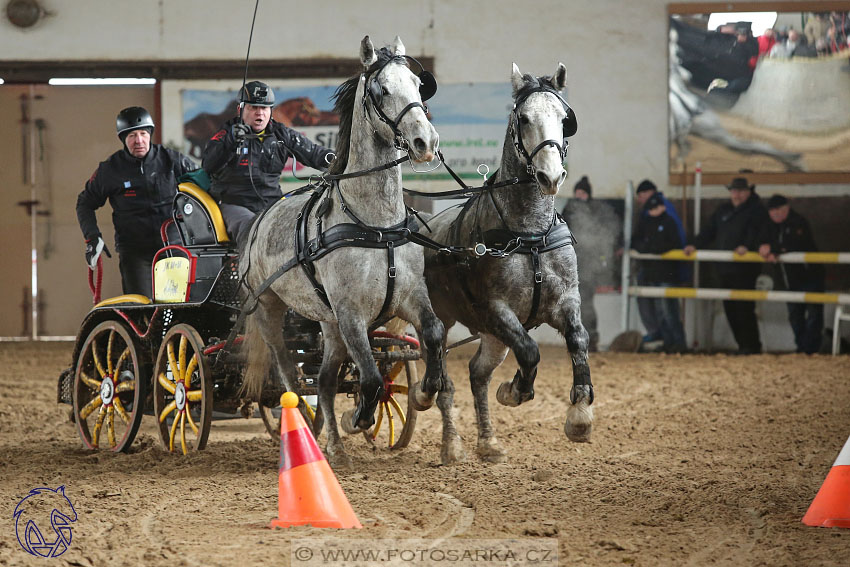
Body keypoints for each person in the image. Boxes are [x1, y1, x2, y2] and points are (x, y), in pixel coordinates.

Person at [76, 106, 198, 297]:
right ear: (123, 139)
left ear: (150, 134)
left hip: (173, 245)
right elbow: (84, 203)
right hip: (135, 253)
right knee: (141, 307)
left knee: (181, 303)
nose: (139, 140)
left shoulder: (172, 161)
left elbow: (205, 188)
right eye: (132, 135)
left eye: (143, 133)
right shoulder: (110, 170)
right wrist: (92, 237)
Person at [201, 80, 335, 243]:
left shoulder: (282, 134)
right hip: (234, 204)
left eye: (264, 108)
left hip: (273, 203)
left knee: (303, 227)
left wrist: (341, 160)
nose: (260, 113)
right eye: (253, 108)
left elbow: (315, 154)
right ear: (240, 109)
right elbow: (208, 165)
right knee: (252, 231)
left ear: (271, 110)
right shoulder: (225, 135)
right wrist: (230, 142)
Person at [684, 177, 768, 354]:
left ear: (748, 192)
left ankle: (751, 346)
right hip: (724, 268)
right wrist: (695, 244)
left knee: (744, 308)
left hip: (745, 269)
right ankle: (743, 345)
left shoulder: (757, 211)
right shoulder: (723, 210)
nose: (736, 195)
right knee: (731, 308)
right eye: (734, 191)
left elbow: (757, 232)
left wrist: (747, 246)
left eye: (740, 191)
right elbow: (709, 230)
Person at [758, 195, 825, 354]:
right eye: (772, 211)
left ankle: (809, 349)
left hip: (810, 276)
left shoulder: (798, 222)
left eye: (779, 210)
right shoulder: (768, 225)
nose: (775, 214)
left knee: (814, 314)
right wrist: (762, 247)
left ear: (787, 208)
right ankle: (802, 348)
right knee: (795, 315)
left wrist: (772, 249)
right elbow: (760, 240)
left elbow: (795, 242)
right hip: (788, 280)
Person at [562, 175, 621, 351]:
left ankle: (591, 339)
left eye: (582, 192)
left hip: (587, 266)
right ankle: (575, 338)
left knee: (585, 303)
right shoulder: (569, 209)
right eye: (577, 192)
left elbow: (605, 237)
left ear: (588, 194)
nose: (579, 195)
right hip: (571, 264)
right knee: (572, 304)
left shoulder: (595, 211)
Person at [632, 193, 687, 353]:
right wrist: (651, 248)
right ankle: (669, 342)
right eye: (652, 208)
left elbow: (674, 243)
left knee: (669, 311)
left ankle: (678, 343)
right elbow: (636, 240)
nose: (654, 211)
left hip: (666, 273)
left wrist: (649, 248)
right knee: (661, 311)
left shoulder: (668, 222)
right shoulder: (646, 222)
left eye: (656, 207)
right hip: (653, 273)